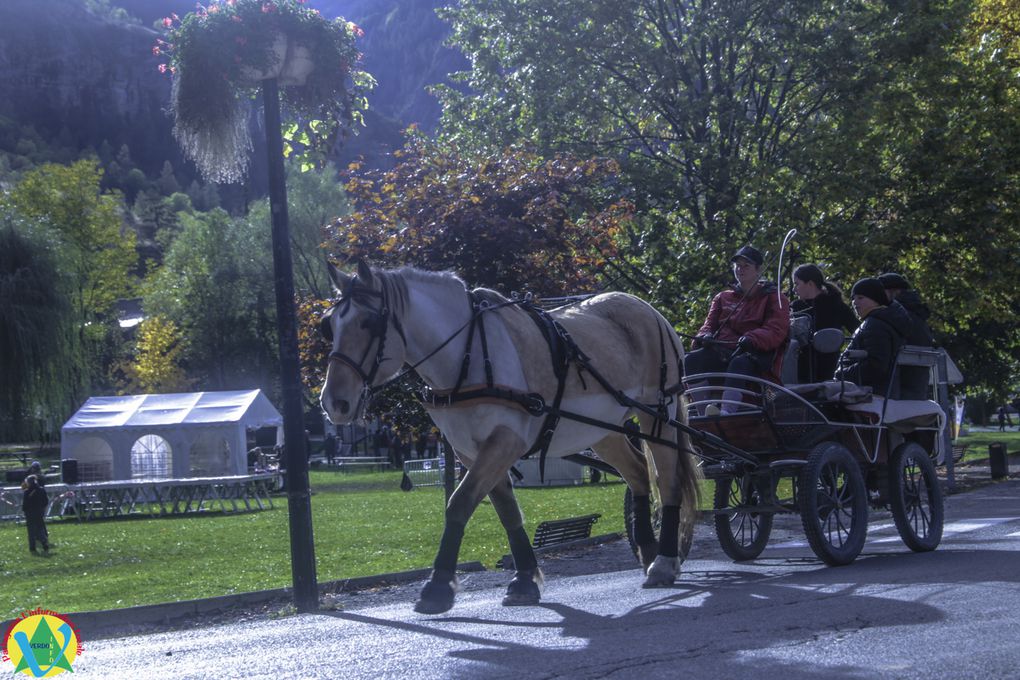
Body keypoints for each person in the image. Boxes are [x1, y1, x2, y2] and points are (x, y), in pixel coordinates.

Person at [685, 245, 791, 413]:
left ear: (758, 269)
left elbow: (776, 330)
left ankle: (726, 413)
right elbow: (708, 325)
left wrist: (752, 338)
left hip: (757, 355)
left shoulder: (776, 298)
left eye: (746, 265)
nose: (740, 269)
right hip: (724, 351)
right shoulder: (722, 298)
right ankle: (703, 411)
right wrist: (704, 336)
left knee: (739, 363)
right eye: (737, 265)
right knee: (691, 360)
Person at [834, 278, 912, 396]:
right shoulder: (882, 321)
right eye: (853, 299)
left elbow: (876, 365)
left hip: (870, 394)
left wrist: (841, 374)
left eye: (860, 298)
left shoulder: (875, 325)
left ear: (876, 300)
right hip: (878, 391)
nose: (855, 302)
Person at [791, 264, 858, 382]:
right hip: (799, 368)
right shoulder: (796, 307)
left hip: (830, 369)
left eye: (797, 283)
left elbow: (857, 331)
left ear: (810, 284)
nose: (794, 289)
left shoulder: (836, 305)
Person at [879, 273, 934, 399]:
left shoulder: (896, 315)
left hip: (897, 388)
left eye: (881, 293)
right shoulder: (917, 313)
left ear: (894, 292)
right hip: (918, 385)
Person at [21, 474, 50, 554]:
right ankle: (44, 542)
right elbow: (46, 501)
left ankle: (32, 547)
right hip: (39, 512)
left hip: (30, 513)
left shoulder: (27, 492)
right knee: (40, 528)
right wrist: (42, 508)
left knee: (31, 530)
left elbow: (25, 503)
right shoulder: (41, 490)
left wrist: (24, 510)